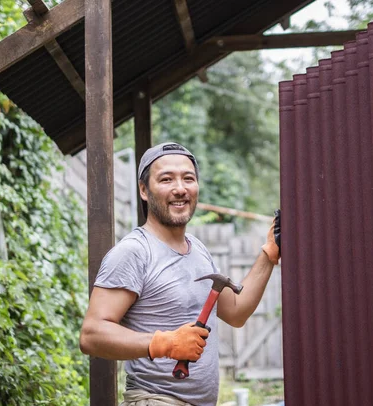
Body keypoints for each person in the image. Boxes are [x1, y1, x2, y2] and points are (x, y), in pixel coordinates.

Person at [80, 142, 281, 406]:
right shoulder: (134, 252)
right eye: (166, 179)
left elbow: (236, 312)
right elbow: (91, 335)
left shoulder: (198, 250)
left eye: (189, 178)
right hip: (155, 400)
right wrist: (165, 343)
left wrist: (269, 253)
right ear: (144, 190)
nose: (180, 189)